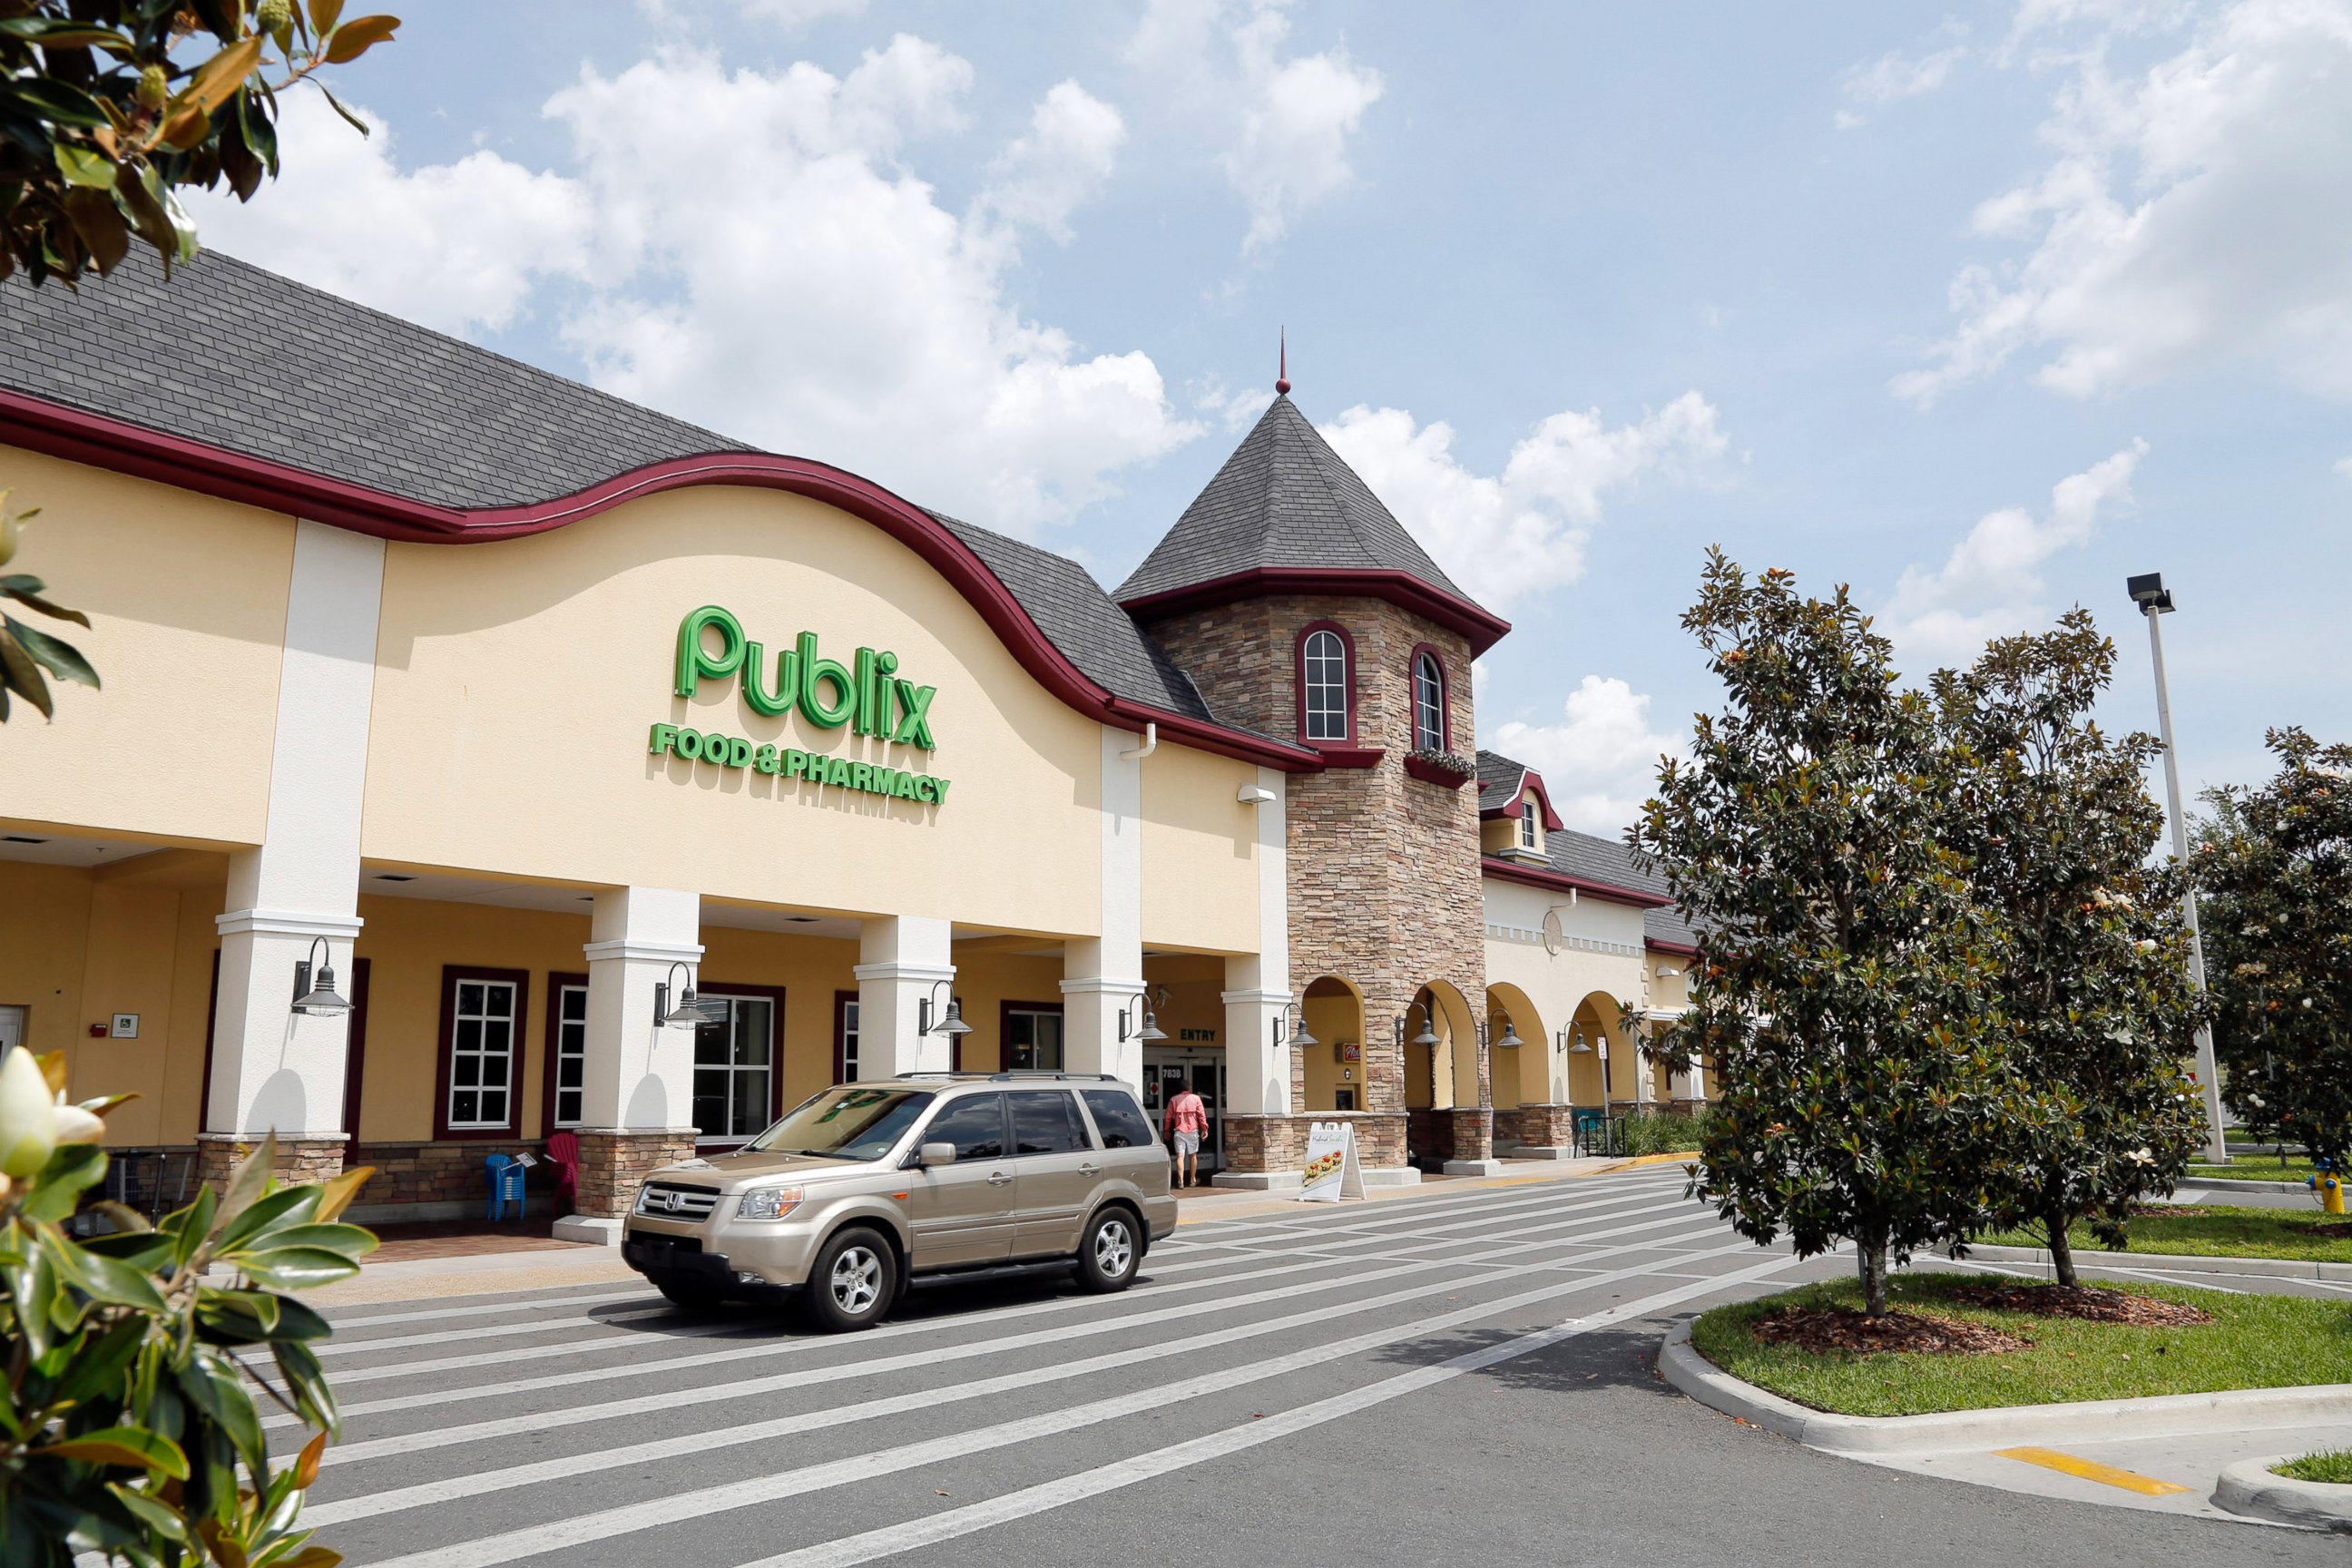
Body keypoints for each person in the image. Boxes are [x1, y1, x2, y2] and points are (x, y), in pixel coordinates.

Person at [1163, 1079, 1209, 1190]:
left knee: (1180, 1156)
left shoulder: (1173, 1099)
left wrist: (1166, 1130)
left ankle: (1180, 1181)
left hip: (1179, 1131)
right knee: (1193, 1156)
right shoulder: (1196, 1098)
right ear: (1189, 1088)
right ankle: (1192, 1179)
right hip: (1192, 1131)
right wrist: (1204, 1128)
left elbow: (1168, 1117)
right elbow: (1201, 1115)